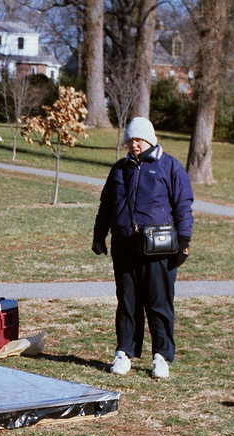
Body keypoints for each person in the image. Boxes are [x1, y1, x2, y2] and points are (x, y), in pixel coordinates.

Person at [92, 117, 194, 379]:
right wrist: (99, 235)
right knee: (127, 302)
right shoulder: (120, 169)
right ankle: (124, 352)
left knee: (159, 303)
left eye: (138, 140)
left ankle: (162, 356)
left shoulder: (169, 166)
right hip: (124, 244)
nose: (134, 145)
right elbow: (107, 205)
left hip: (159, 247)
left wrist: (184, 241)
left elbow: (183, 205)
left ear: (150, 139)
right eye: (130, 140)